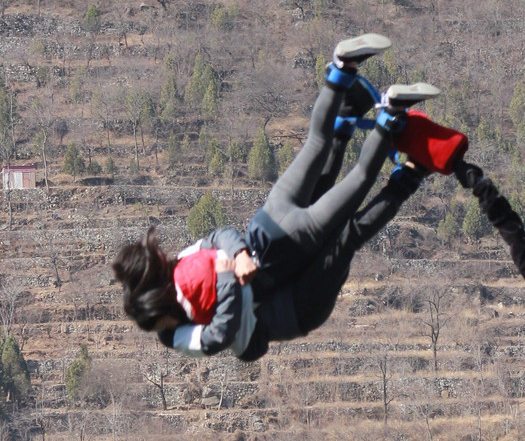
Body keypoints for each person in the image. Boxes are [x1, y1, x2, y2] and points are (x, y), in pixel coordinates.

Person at [112, 35, 442, 358]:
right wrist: (238, 255)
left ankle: (392, 120)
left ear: (156, 306)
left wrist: (232, 269)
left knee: (352, 213)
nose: (161, 328)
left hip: (290, 282)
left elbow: (221, 337)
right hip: (266, 225)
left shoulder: (177, 323)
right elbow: (218, 238)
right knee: (317, 146)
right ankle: (342, 71)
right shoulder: (181, 264)